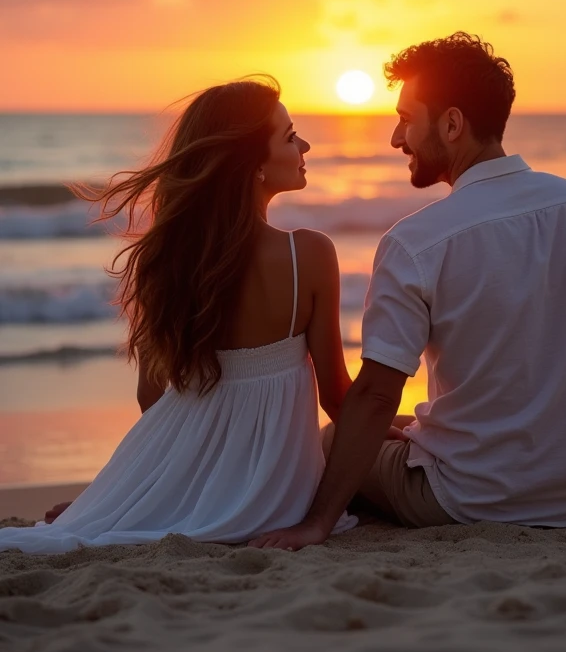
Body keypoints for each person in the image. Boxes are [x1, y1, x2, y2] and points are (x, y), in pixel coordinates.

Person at [251, 33, 566, 551]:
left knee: (332, 439)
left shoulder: (417, 241)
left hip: (462, 499)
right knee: (403, 424)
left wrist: (317, 525)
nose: (397, 139)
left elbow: (375, 394)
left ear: (451, 124)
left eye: (405, 119)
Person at [0, 77, 356, 552]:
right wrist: (388, 419)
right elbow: (337, 397)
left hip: (190, 471)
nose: (304, 144)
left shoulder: (167, 260)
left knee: (90, 528)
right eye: (290, 136)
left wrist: (139, 490)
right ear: (252, 164)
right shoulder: (309, 254)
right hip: (274, 498)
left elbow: (153, 396)